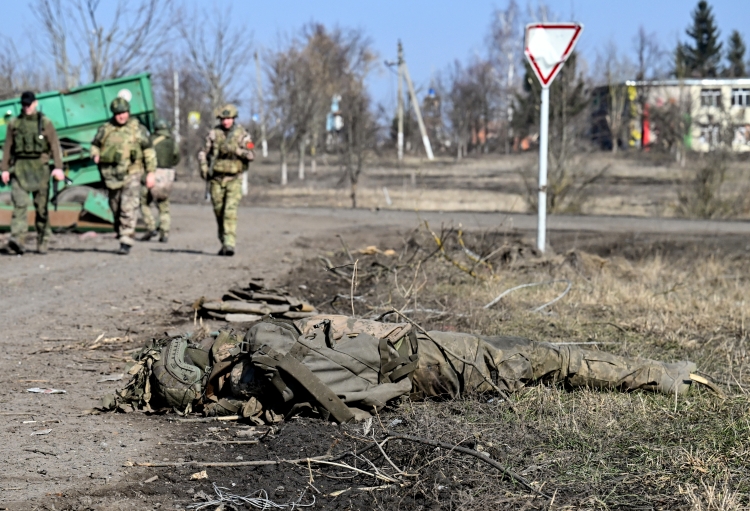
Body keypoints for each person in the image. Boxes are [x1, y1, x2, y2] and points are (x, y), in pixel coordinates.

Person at [101, 314, 712, 422]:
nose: (209, 336)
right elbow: (332, 385)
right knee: (542, 359)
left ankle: (661, 372)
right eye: (203, 343)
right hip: (422, 359)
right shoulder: (262, 356)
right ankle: (664, 375)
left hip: (413, 351)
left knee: (530, 356)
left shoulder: (254, 374)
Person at [90, 97, 156, 255]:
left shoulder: (137, 129)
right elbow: (95, 145)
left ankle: (126, 240)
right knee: (115, 207)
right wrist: (95, 154)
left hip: (132, 173)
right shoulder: (105, 129)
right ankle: (120, 230)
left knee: (128, 206)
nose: (122, 116)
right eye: (118, 113)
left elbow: (148, 150)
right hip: (111, 176)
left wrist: (151, 172)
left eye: (124, 113)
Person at [1, 91, 64, 255]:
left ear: (35, 103)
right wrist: (5, 169)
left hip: (40, 168)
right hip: (20, 167)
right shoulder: (14, 124)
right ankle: (17, 240)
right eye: (24, 104)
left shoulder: (45, 123)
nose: (26, 107)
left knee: (41, 208)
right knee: (20, 205)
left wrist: (58, 167)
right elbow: (7, 147)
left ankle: (43, 239)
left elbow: (55, 146)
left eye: (29, 104)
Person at [197, 104, 255, 256]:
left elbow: (251, 155)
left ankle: (230, 243)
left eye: (228, 118)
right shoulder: (213, 134)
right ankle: (223, 241)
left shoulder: (242, 134)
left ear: (233, 118)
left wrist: (236, 150)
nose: (226, 122)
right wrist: (203, 168)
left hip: (234, 179)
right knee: (219, 212)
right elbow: (203, 153)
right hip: (216, 179)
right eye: (223, 119)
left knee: (230, 211)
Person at [140, 119, 179, 243]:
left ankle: (151, 227)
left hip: (151, 174)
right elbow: (176, 158)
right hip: (167, 175)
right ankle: (165, 233)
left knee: (144, 203)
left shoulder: (150, 140)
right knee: (164, 205)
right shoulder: (172, 142)